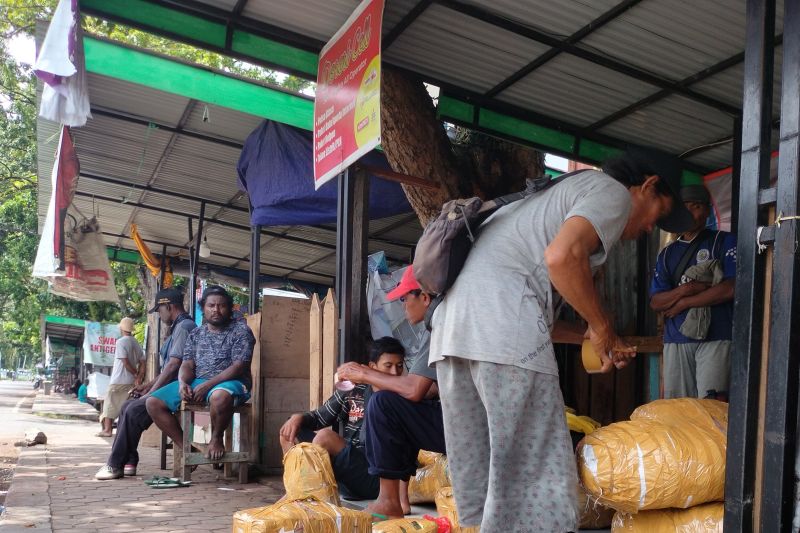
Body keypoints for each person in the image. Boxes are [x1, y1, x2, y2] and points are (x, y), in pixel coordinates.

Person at [429, 149, 695, 532]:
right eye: (661, 213)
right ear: (648, 186)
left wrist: (595, 330)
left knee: (489, 479)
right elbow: (561, 258)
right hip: (503, 339)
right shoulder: (613, 192)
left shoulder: (548, 199)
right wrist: (601, 325)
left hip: (454, 338)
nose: (653, 228)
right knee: (536, 480)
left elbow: (529, 306)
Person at [337, 266, 447, 519]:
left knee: (384, 404)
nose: (402, 305)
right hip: (464, 419)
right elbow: (430, 388)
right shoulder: (438, 324)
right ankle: (398, 500)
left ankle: (388, 501)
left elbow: (415, 390)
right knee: (394, 402)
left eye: (404, 298)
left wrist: (363, 374)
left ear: (425, 298)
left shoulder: (440, 325)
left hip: (465, 424)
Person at [279, 336, 406, 501]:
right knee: (288, 431)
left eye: (400, 366)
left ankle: (299, 497)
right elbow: (319, 417)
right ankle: (296, 490)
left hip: (377, 480)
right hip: (347, 470)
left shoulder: (404, 397)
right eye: (388, 366)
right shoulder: (354, 390)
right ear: (372, 367)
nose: (394, 373)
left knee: (325, 437)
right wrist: (298, 418)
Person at [95, 288, 196, 480]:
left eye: (160, 310)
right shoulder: (177, 327)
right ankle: (130, 460)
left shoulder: (184, 327)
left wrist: (151, 394)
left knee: (134, 410)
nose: (159, 314)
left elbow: (174, 366)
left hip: (178, 387)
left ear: (168, 306)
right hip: (168, 386)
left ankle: (115, 464)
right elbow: (167, 367)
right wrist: (148, 386)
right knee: (127, 406)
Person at [146, 286, 255, 461]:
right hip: (199, 381)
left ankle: (217, 438)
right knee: (153, 402)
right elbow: (187, 363)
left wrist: (208, 385)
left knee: (219, 397)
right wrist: (182, 383)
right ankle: (187, 448)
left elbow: (239, 366)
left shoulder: (241, 331)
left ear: (229, 308)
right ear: (203, 308)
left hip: (232, 382)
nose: (216, 310)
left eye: (221, 306)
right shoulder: (196, 333)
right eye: (211, 305)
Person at [650, 184, 736, 400]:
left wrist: (684, 303)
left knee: (712, 407)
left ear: (707, 211)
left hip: (715, 337)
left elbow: (730, 288)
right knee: (678, 408)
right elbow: (656, 302)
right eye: (684, 207)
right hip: (676, 339)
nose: (690, 213)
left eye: (696, 207)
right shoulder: (667, 254)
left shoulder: (723, 241)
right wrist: (685, 290)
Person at [97, 317, 145, 437]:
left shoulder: (120, 342)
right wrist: (139, 376)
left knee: (110, 404)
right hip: (130, 382)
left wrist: (135, 374)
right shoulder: (135, 342)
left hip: (118, 380)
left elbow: (125, 362)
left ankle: (107, 430)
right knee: (124, 406)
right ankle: (123, 431)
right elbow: (143, 361)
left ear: (122, 328)